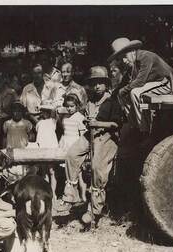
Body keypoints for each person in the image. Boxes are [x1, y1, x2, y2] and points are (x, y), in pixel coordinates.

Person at [57, 66, 123, 230]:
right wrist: (88, 122)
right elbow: (87, 118)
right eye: (94, 83)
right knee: (72, 154)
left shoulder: (112, 101)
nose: (97, 87)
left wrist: (97, 123)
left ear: (106, 84)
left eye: (100, 83)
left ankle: (94, 210)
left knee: (96, 167)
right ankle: (70, 194)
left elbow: (116, 124)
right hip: (90, 134)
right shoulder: (91, 100)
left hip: (106, 135)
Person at [107, 37, 173, 135]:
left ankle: (144, 130)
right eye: (120, 58)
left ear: (132, 51)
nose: (123, 60)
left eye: (125, 56)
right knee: (123, 94)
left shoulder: (145, 57)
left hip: (167, 82)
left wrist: (122, 91)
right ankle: (134, 124)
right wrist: (115, 94)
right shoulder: (132, 63)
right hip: (155, 84)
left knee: (135, 92)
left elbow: (140, 82)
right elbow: (124, 82)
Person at [58, 93, 87, 203]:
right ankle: (71, 196)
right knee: (69, 173)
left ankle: (83, 195)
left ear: (77, 106)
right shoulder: (65, 118)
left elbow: (82, 135)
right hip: (66, 144)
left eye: (72, 106)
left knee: (79, 173)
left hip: (76, 145)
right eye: (68, 106)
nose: (69, 109)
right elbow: (64, 132)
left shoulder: (80, 118)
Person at [36, 104, 59, 200]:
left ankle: (53, 193)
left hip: (52, 149)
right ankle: (47, 192)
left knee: (52, 171)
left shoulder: (53, 121)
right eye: (43, 111)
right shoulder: (39, 123)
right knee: (44, 172)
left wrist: (50, 107)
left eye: (47, 111)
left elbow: (56, 112)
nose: (45, 113)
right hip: (42, 149)